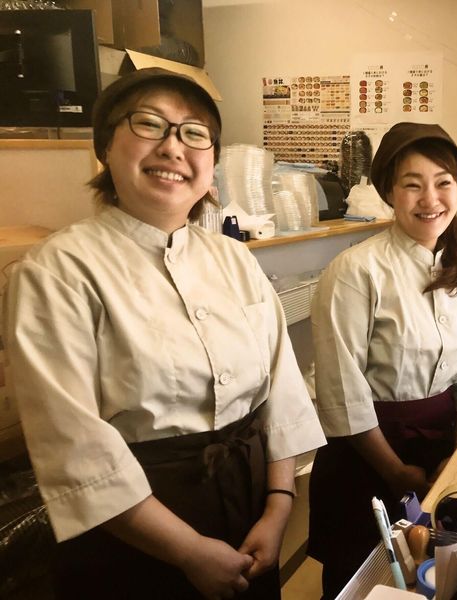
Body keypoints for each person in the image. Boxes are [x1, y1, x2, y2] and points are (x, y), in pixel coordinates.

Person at [2, 67, 326, 599]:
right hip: (133, 532)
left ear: (212, 164)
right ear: (105, 147)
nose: (174, 147)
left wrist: (278, 505)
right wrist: (188, 552)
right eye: (150, 124)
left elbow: (281, 388)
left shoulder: (233, 259)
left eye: (194, 133)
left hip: (249, 507)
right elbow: (73, 445)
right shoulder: (57, 270)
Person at [307, 122, 457, 597]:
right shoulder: (355, 271)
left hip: (442, 449)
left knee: (429, 579)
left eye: (443, 182)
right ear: (389, 191)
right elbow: (341, 391)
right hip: (366, 458)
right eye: (412, 184)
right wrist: (395, 472)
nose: (430, 198)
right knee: (364, 583)